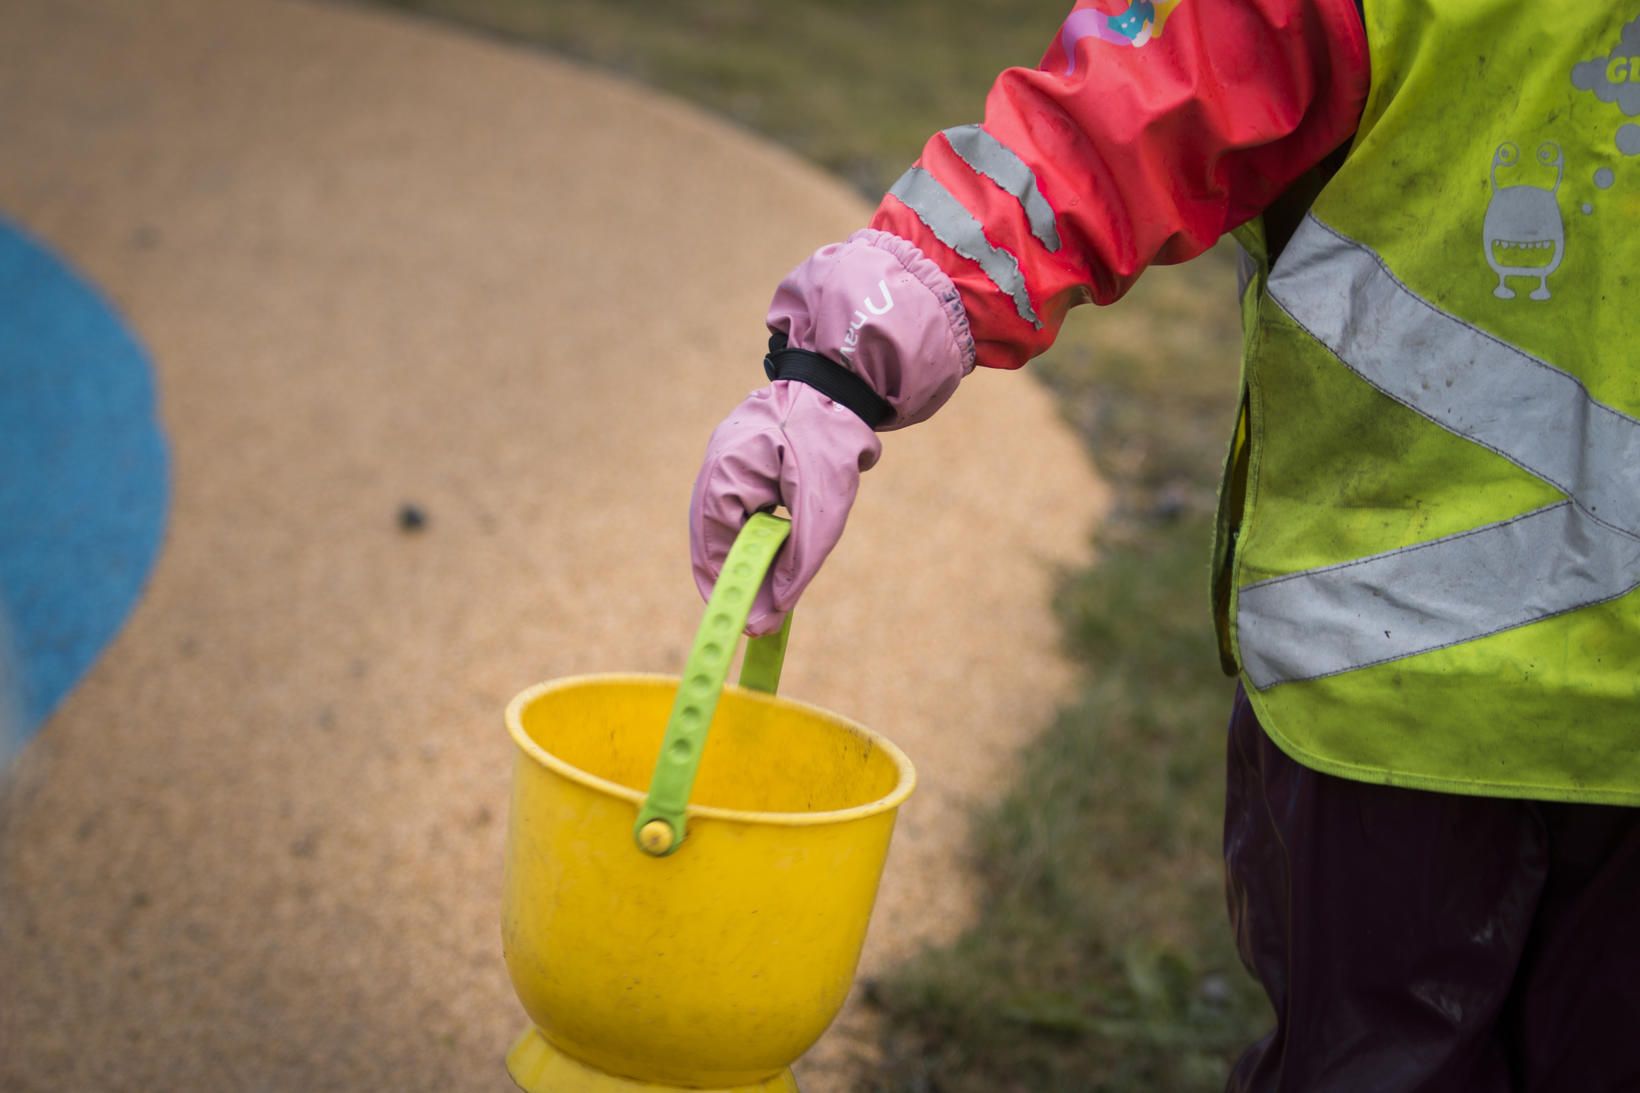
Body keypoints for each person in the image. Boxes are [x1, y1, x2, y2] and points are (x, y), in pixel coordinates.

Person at [688, 1, 1640, 1089]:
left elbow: (1110, 116)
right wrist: (838, 369)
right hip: (1397, 698)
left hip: (1393, 661)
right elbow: (1117, 119)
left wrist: (839, 372)